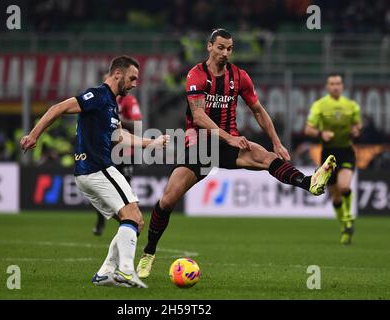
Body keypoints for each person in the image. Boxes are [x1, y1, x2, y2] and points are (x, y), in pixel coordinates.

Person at [136, 29, 336, 279]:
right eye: (220, 47)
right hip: (200, 146)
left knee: (266, 157)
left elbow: (258, 110)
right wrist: (229, 136)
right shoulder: (196, 74)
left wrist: (276, 141)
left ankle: (310, 183)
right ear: (209, 46)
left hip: (229, 144)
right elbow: (198, 116)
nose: (225, 53)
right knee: (167, 200)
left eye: (229, 48)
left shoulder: (239, 76)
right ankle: (148, 253)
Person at [20, 56, 169, 288]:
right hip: (97, 168)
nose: (134, 83)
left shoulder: (110, 103)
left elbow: (120, 136)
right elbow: (58, 108)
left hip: (89, 173)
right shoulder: (97, 96)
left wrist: (153, 143)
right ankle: (127, 271)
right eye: (132, 78)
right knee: (134, 217)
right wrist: (34, 135)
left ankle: (105, 272)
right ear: (117, 74)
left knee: (133, 223)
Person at [304, 73, 362, 245]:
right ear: (327, 87)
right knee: (335, 197)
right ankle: (345, 226)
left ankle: (348, 216)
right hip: (328, 154)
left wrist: (356, 131)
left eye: (338, 83)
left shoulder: (351, 106)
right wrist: (321, 133)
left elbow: (358, 125)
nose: (335, 86)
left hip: (346, 151)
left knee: (345, 187)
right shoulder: (320, 106)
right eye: (332, 83)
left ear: (342, 86)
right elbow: (308, 129)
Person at [93, 93, 143, 236]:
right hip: (106, 152)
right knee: (101, 188)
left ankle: (129, 222)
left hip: (125, 153)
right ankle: (100, 221)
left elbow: (137, 123)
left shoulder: (128, 100)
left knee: (125, 189)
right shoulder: (102, 100)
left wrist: (115, 119)